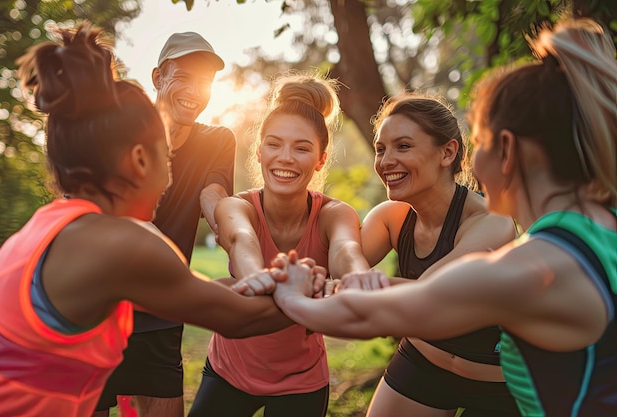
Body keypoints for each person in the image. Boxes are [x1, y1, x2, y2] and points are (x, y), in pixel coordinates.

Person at [266, 18, 617, 416]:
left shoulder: (534, 266)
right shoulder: (599, 225)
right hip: (424, 366)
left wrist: (294, 296)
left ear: (506, 149)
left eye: (479, 141)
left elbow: (402, 307)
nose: (473, 160)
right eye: (382, 148)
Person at [0, 23, 318, 417]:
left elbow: (192, 288)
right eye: (166, 158)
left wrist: (255, 270)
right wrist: (313, 288)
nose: (170, 177)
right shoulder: (124, 242)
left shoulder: (47, 227)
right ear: (140, 159)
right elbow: (234, 318)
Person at [187, 71, 373, 417]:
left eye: (302, 148)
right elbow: (242, 240)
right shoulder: (237, 207)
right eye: (274, 144)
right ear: (258, 152)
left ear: (320, 159)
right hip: (230, 371)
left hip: (302, 381)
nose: (285, 157)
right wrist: (259, 278)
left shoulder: (334, 214)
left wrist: (357, 277)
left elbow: (347, 249)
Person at [339, 93, 519, 416]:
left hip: (498, 381)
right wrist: (349, 266)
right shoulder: (391, 217)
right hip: (424, 361)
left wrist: (359, 286)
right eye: (381, 149)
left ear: (447, 152)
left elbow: (431, 295)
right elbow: (340, 264)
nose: (385, 161)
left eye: (403, 146)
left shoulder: (492, 222)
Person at [93, 31, 236, 417]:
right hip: (99, 310)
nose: (195, 90)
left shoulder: (218, 140)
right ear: (158, 77)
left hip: (160, 315)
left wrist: (235, 239)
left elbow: (215, 196)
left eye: (205, 81)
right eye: (184, 76)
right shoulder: (119, 131)